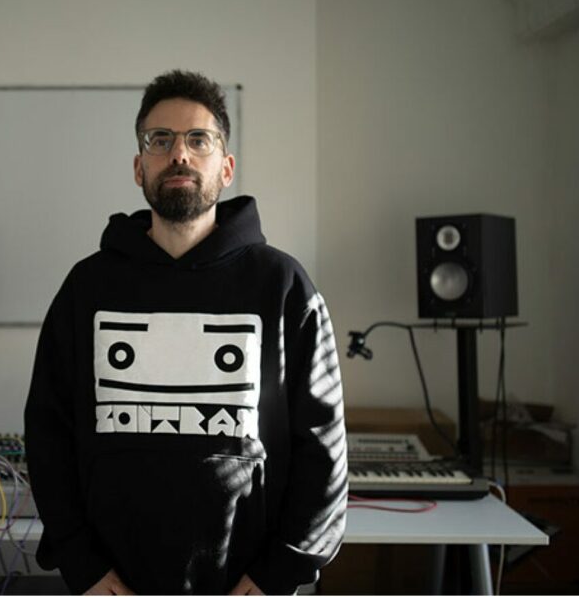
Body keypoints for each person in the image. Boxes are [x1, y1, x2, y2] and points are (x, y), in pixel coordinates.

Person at [24, 70, 347, 595]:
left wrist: (280, 572)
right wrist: (81, 564)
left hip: (247, 584)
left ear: (226, 166)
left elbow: (324, 444)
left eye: (199, 139)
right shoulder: (88, 286)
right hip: (113, 584)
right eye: (161, 140)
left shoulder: (283, 286)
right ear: (139, 166)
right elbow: (48, 434)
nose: (180, 154)